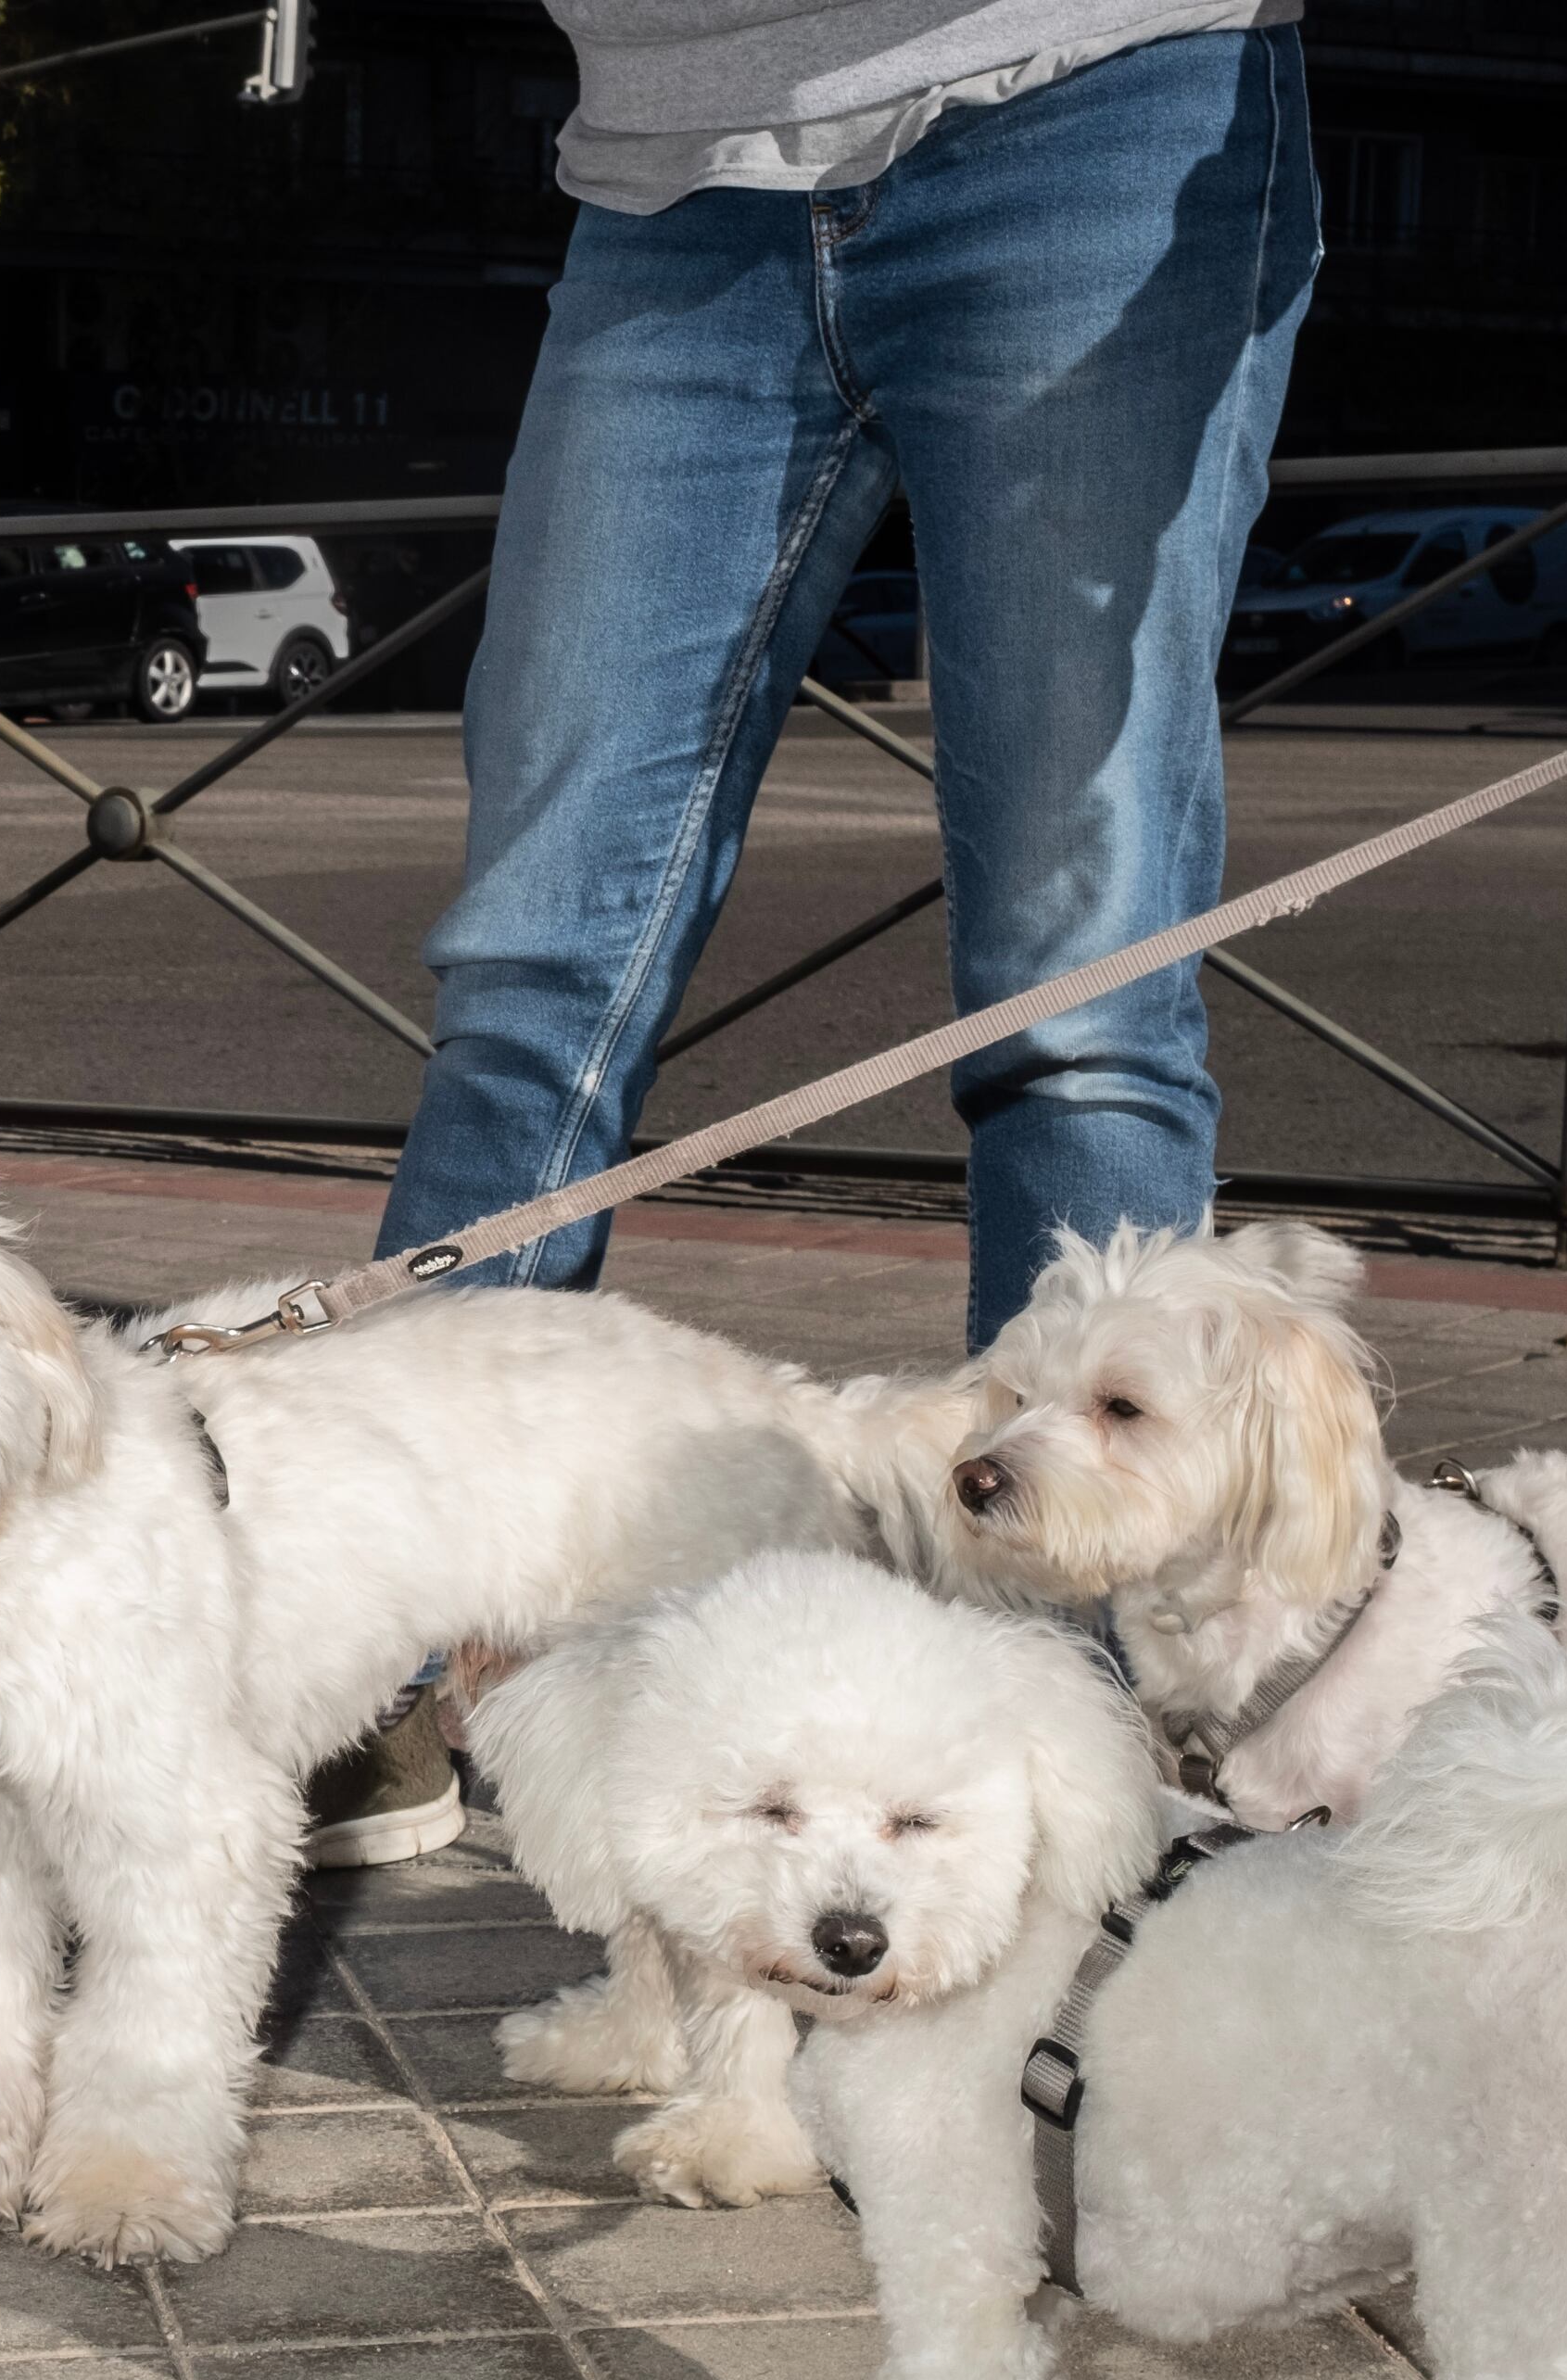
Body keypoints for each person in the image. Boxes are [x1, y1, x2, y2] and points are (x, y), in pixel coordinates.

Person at [310, 0, 1320, 1867]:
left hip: (1090, 105)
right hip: (666, 168)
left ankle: (1057, 1725)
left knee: (1072, 988)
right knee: (532, 972)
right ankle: (372, 1640)